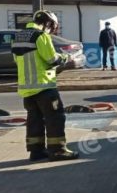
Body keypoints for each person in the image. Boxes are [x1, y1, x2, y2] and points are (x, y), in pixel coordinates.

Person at [11, 10, 79, 161]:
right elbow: (51, 59)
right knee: (55, 118)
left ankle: (36, 152)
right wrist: (67, 58)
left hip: (26, 90)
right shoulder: (41, 36)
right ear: (48, 23)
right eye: (52, 27)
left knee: (34, 119)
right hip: (44, 87)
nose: (51, 30)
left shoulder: (17, 37)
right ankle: (58, 150)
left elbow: (17, 60)